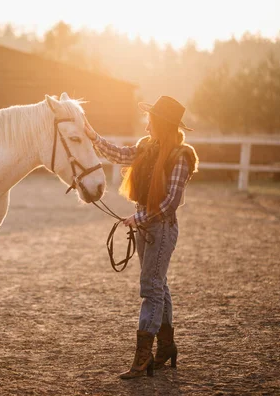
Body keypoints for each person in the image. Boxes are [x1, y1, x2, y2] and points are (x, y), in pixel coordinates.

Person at [84, 96, 199, 379]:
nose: (146, 125)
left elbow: (171, 202)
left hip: (160, 227)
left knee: (150, 287)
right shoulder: (147, 147)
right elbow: (121, 155)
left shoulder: (180, 157)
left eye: (150, 120)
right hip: (146, 224)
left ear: (160, 123)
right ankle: (167, 347)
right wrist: (93, 136)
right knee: (159, 284)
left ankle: (143, 358)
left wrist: (139, 218)